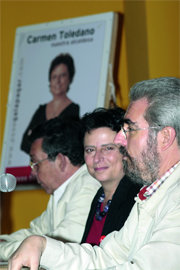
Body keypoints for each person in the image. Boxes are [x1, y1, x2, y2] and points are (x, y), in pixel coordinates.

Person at [8, 77, 180, 270]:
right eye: (89, 150)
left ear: (165, 137)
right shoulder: (151, 192)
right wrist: (42, 245)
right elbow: (105, 258)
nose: (119, 140)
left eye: (129, 129)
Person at [0, 118, 100, 261]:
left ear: (60, 161)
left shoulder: (88, 186)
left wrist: (3, 249)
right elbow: (36, 232)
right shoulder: (63, 191)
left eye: (36, 163)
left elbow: (61, 245)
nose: (32, 172)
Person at [80, 107, 141, 245]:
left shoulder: (137, 198)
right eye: (90, 150)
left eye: (108, 148)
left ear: (126, 151)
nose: (97, 158)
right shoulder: (100, 197)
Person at [20, 53, 80, 154]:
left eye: (62, 76)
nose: (58, 81)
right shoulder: (41, 110)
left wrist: (37, 138)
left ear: (70, 79)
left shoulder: (73, 109)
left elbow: (65, 145)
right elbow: (24, 143)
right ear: (50, 80)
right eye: (54, 76)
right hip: (36, 167)